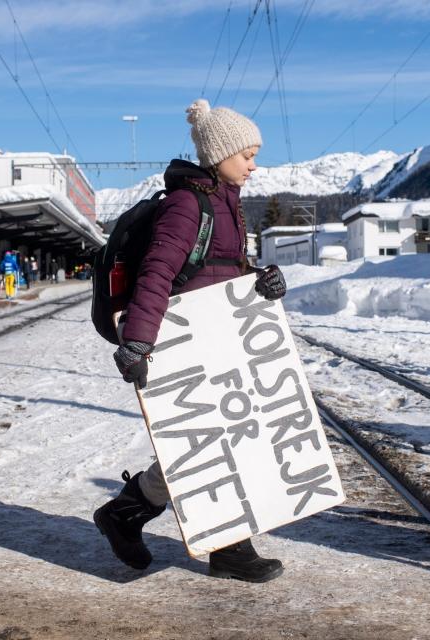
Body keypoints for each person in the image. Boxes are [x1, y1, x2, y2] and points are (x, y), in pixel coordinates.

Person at [93, 99, 287, 583]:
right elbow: (159, 272)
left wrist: (260, 281)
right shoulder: (188, 204)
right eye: (247, 153)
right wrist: (137, 341)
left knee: (215, 441)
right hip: (185, 343)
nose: (253, 164)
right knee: (211, 444)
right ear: (220, 153)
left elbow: (222, 269)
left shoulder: (226, 202)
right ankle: (225, 545)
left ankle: (129, 513)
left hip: (221, 338)